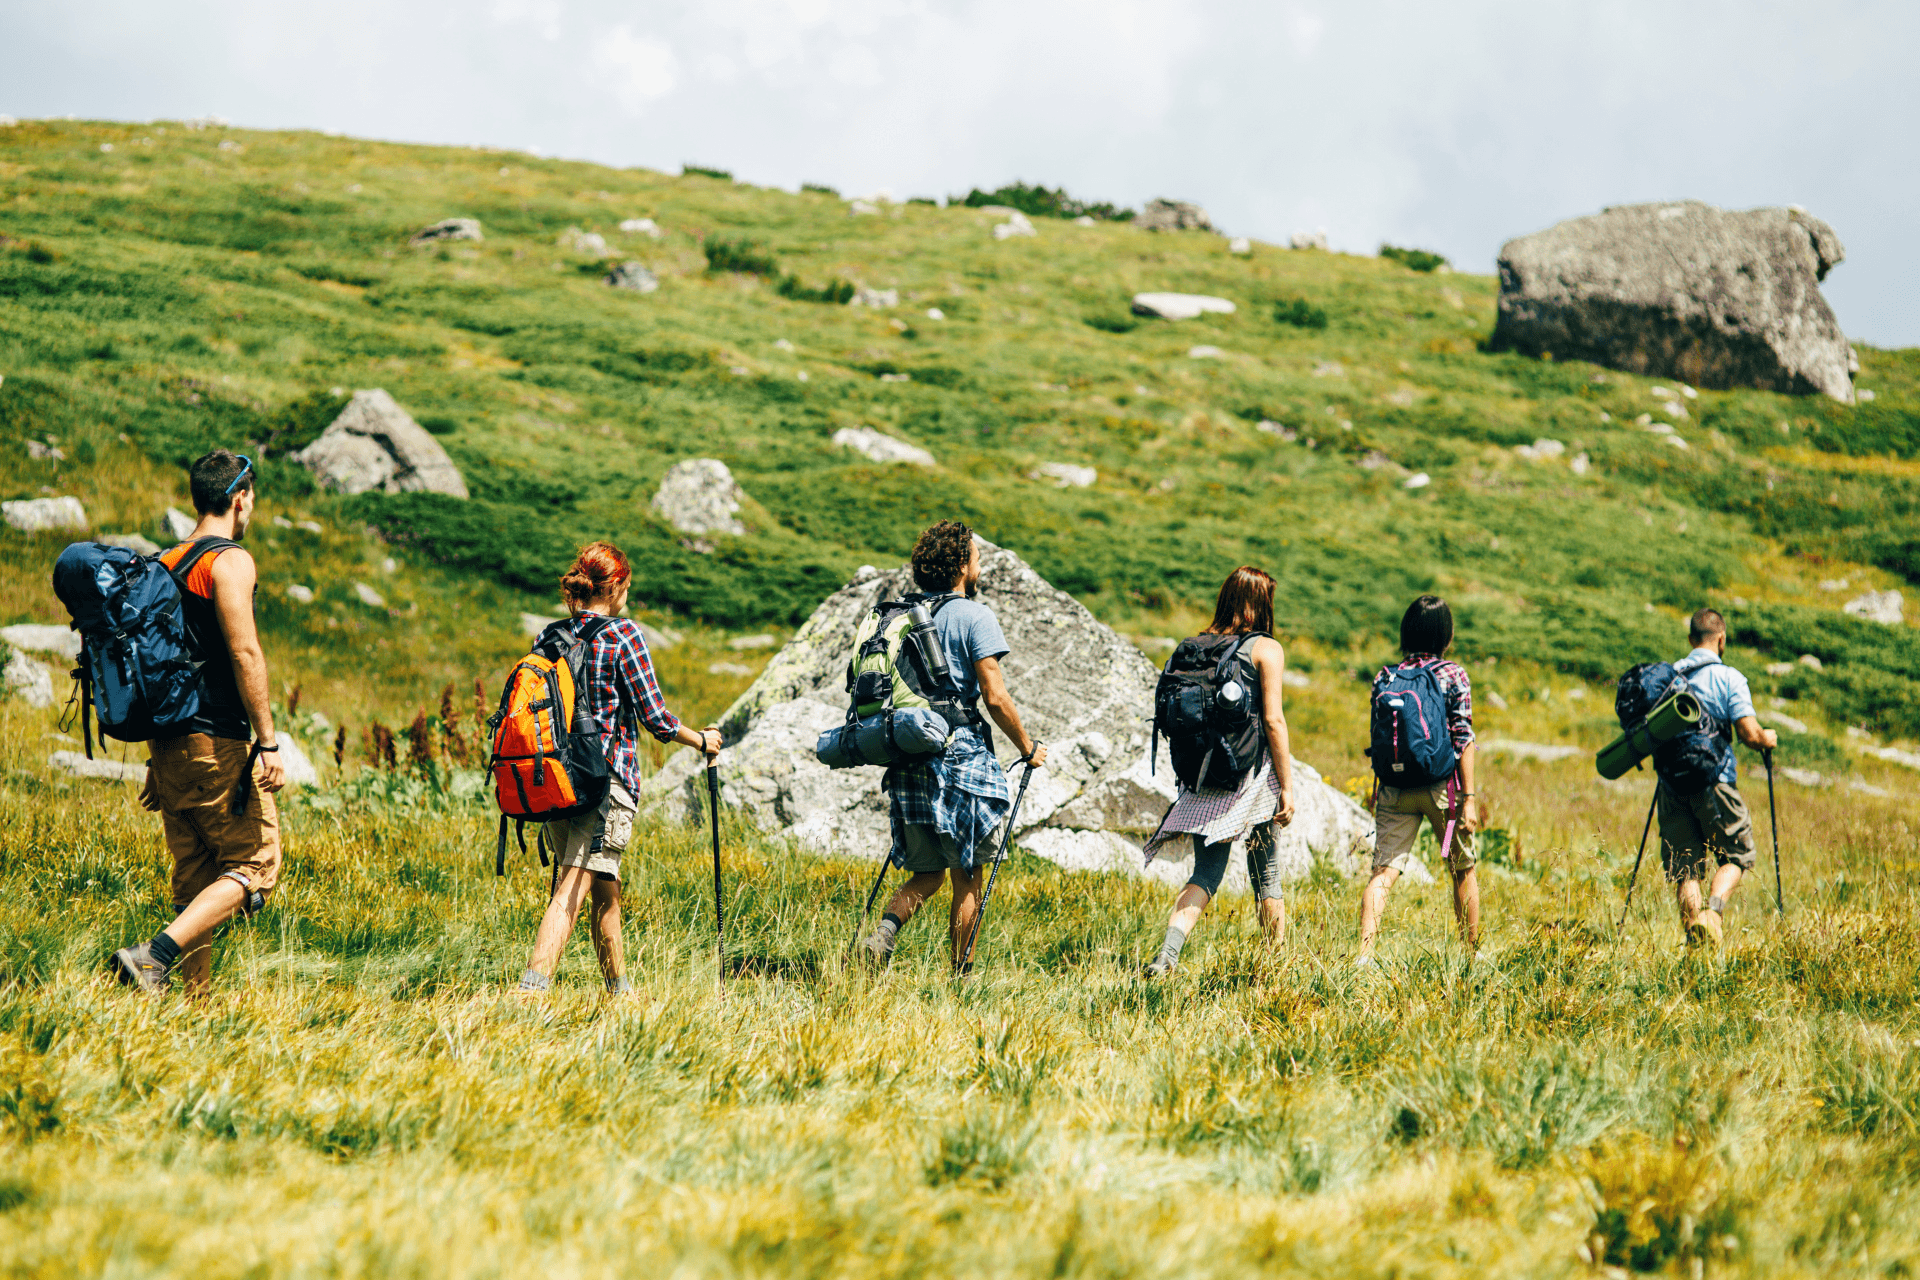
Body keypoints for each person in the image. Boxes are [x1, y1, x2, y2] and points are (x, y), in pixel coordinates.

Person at [110, 450, 287, 994]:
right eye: (250, 497)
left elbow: (158, 666)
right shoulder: (228, 561)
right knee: (257, 863)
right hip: (217, 740)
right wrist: (269, 741)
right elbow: (245, 654)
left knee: (196, 879)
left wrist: (157, 760)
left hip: (171, 745)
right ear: (240, 498)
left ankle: (194, 1007)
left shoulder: (166, 562)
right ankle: (154, 956)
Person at [517, 542, 719, 994]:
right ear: (617, 585)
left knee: (605, 891)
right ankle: (529, 991)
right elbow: (656, 718)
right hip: (604, 781)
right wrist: (702, 740)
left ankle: (620, 993)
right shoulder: (623, 636)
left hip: (556, 777)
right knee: (573, 886)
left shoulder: (550, 636)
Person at [860, 522, 1049, 973]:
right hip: (959, 758)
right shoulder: (974, 616)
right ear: (963, 565)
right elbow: (995, 696)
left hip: (907, 754)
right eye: (977, 557)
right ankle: (960, 977)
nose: (980, 565)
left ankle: (883, 933)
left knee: (927, 872)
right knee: (968, 872)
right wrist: (1027, 747)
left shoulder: (903, 615)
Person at [1140, 567, 1297, 978]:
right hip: (1250, 777)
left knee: (1205, 874)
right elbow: (1275, 722)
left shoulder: (1193, 646)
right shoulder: (1265, 649)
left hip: (1202, 776)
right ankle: (1275, 967)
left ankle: (1167, 957)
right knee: (1266, 872)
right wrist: (1288, 787)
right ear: (1263, 603)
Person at [1355, 595, 1479, 965]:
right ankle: (1470, 955)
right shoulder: (1452, 674)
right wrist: (1469, 797)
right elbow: (1463, 737)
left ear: (1406, 630)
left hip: (1395, 790)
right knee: (1460, 867)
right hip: (1442, 792)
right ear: (1446, 633)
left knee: (1383, 872)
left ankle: (1363, 955)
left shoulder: (1385, 676)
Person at [1659, 608, 1776, 950]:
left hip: (1672, 784)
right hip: (1715, 782)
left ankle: (1696, 943)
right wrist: (1767, 738)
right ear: (1721, 638)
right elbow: (1749, 733)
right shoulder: (1729, 678)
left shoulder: (1670, 676)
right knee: (1736, 856)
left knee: (1685, 867)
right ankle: (1712, 914)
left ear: (1690, 639)